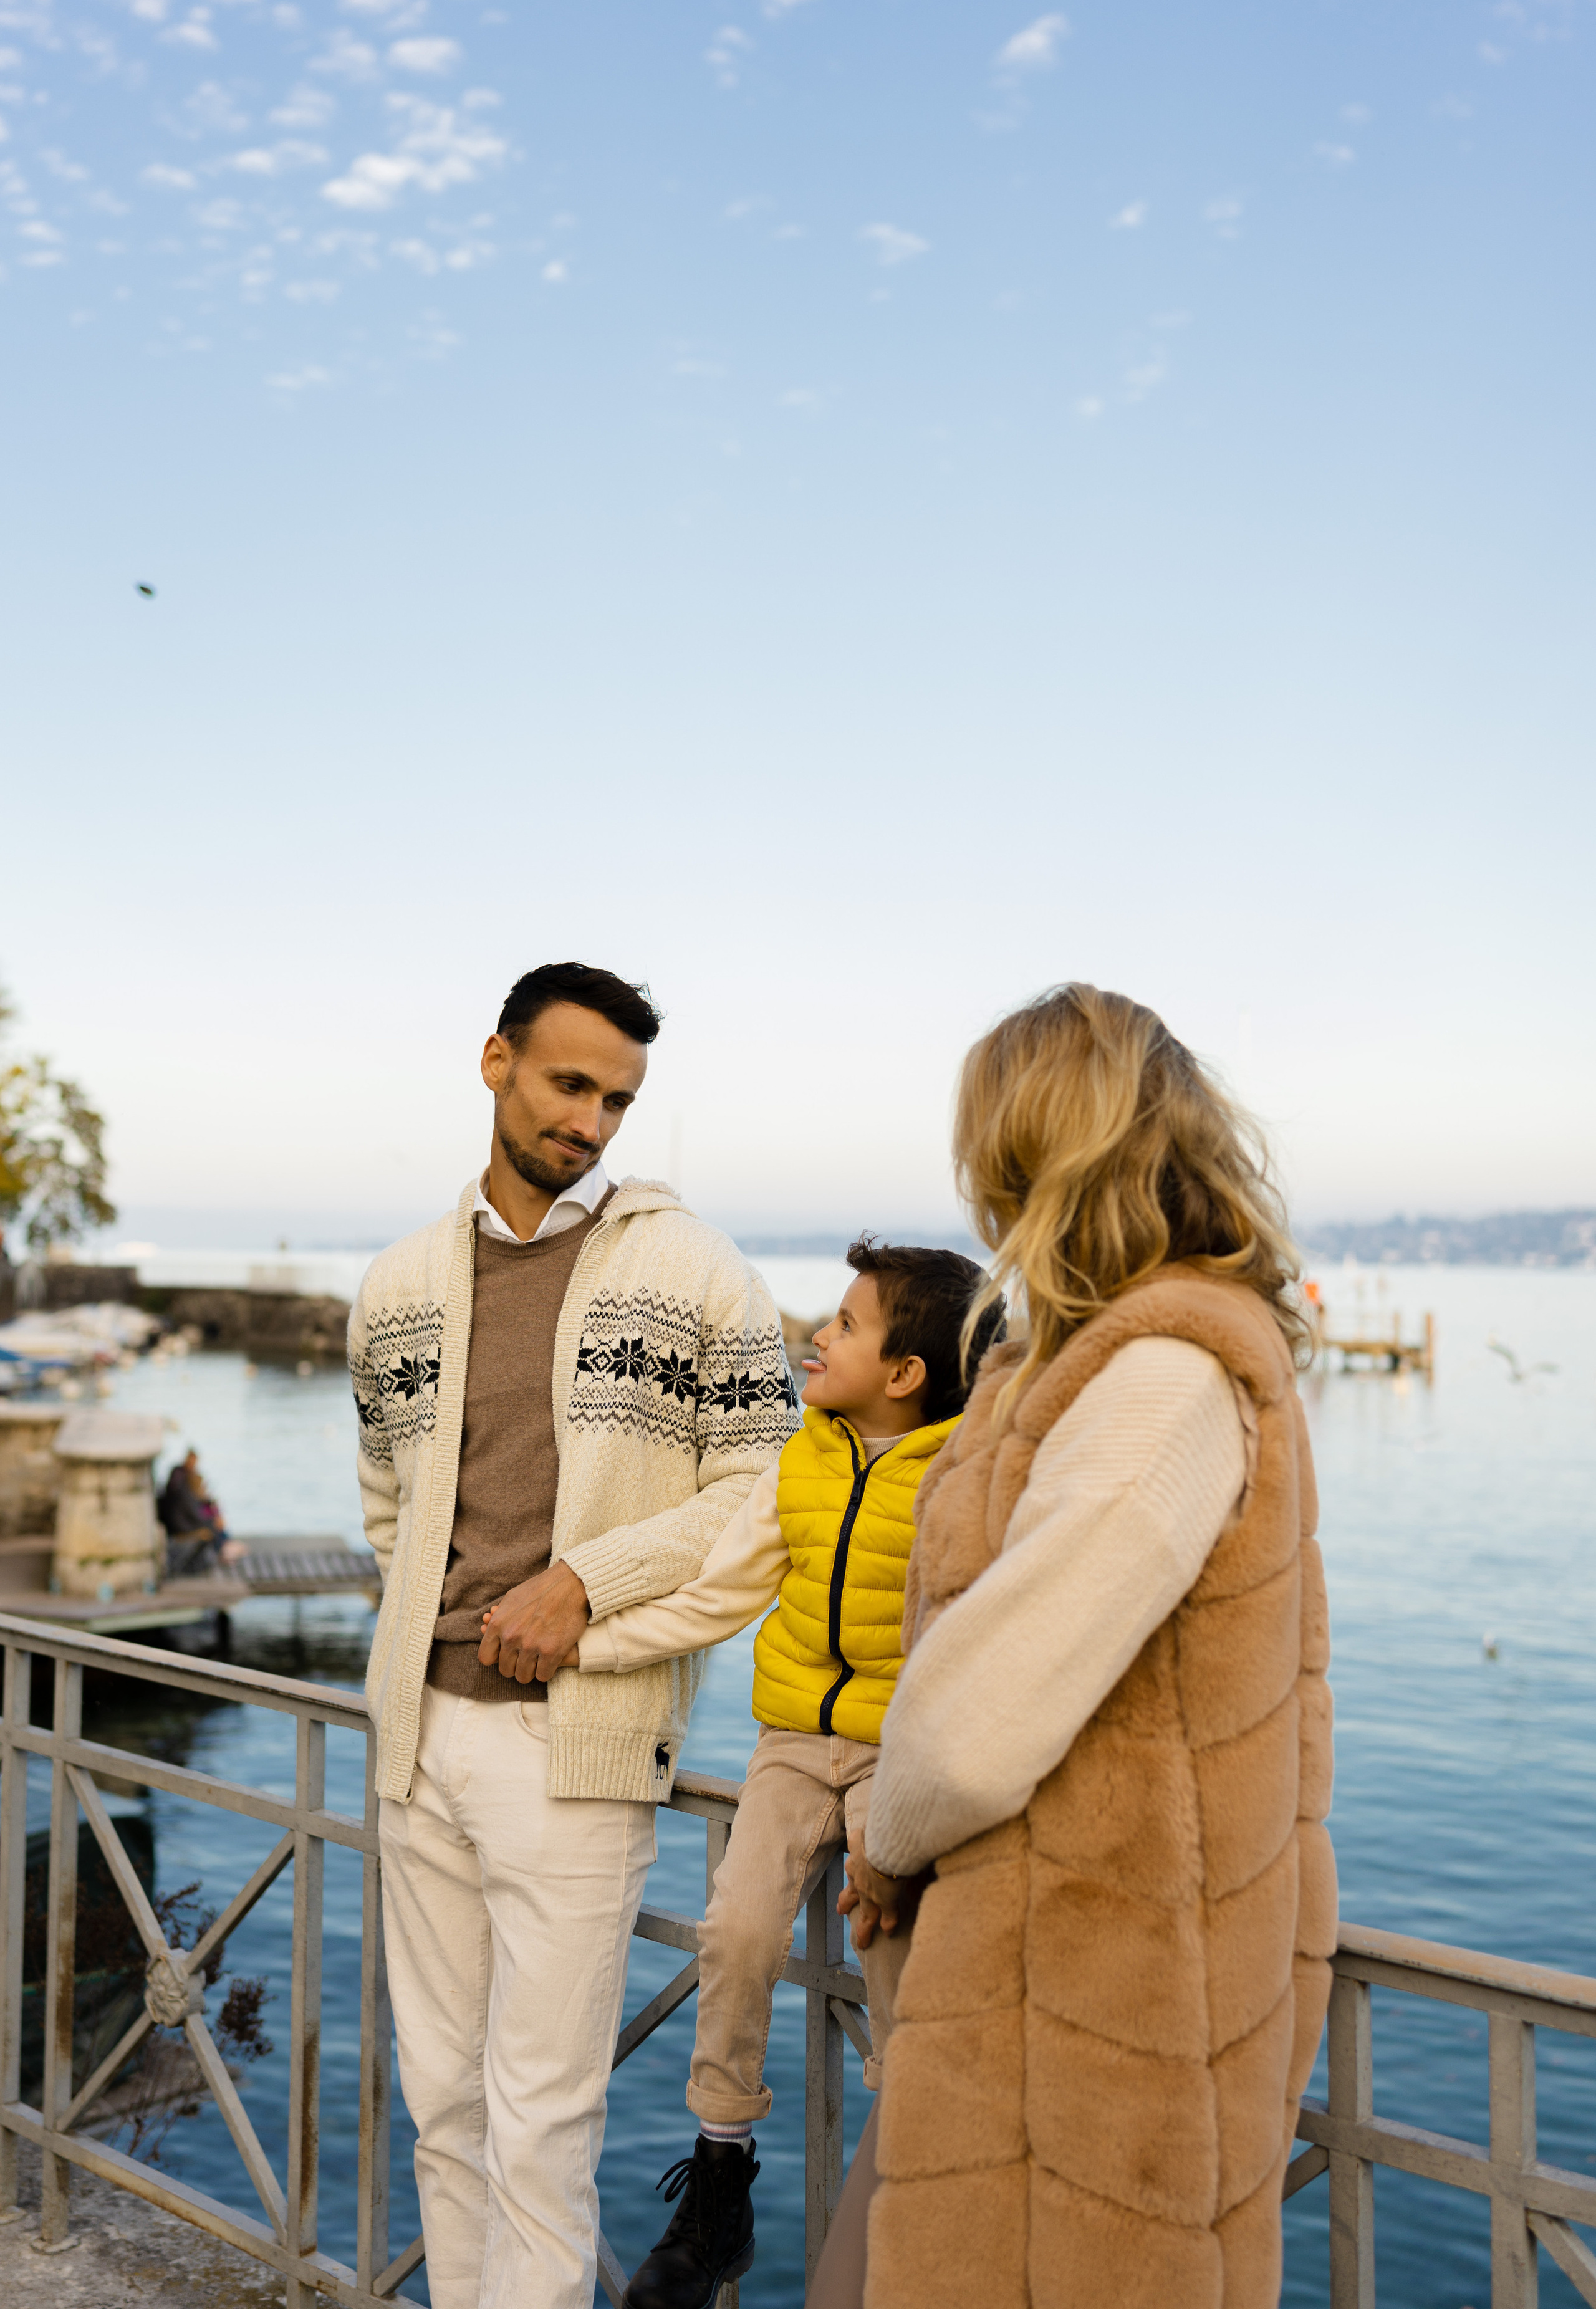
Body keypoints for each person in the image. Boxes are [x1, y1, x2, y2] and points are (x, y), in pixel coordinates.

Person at [840, 984, 1337, 2309]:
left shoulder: (1161, 1377)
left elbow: (972, 1725)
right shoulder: (1096, 1358)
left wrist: (883, 1835)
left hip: (1090, 2028)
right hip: (1035, 1999)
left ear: (1033, 1151)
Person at [349, 962, 798, 2309]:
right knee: (443, 2110)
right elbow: (386, 1502)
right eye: (568, 1085)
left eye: (616, 1100)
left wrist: (585, 1588)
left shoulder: (694, 1269)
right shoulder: (397, 1283)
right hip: (414, 1742)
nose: (589, 1122)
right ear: (495, 1061)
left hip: (577, 1750)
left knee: (540, 2129)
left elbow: (765, 1495)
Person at [546, 1238, 1003, 2309]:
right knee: (739, 1931)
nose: (818, 1336)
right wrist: (586, 1648)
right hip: (793, 1742)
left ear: (906, 1373)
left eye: (846, 1325)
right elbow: (719, 1595)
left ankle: (912, 2201)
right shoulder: (800, 1461)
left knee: (896, 1972)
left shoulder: (968, 1479)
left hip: (904, 1754)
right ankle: (719, 2186)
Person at [157, 1449, 233, 1575]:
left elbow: (196, 1510)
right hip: (181, 1526)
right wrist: (212, 1522)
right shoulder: (182, 1486)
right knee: (212, 1530)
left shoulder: (186, 1485)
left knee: (215, 1528)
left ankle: (222, 1549)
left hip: (184, 1521)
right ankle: (221, 1551)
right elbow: (192, 1514)